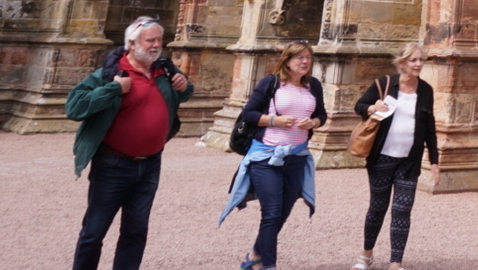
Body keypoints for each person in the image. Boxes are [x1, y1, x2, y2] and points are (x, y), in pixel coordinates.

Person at [66, 15, 194, 270]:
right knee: (94, 232)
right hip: (113, 164)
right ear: (132, 44)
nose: (157, 45)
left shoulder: (166, 70)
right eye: (150, 40)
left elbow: (182, 95)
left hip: (150, 164)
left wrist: (184, 87)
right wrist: (112, 89)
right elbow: (74, 107)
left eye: (160, 40)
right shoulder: (109, 74)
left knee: (136, 232)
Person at [219, 41, 327, 270]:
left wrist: (313, 123)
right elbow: (247, 114)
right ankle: (269, 266)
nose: (305, 61)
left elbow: (322, 115)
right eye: (299, 57)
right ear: (287, 60)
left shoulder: (313, 85)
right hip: (266, 157)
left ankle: (256, 255)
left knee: (283, 212)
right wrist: (274, 120)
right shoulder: (272, 83)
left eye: (308, 57)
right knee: (272, 212)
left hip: (297, 157)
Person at [352, 43, 440, 270]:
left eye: (421, 60)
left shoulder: (426, 90)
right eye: (414, 60)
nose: (419, 64)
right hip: (381, 157)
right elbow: (359, 106)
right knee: (377, 207)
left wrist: (434, 161)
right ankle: (366, 255)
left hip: (409, 161)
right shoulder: (384, 83)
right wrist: (372, 108)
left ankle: (395, 263)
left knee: (402, 209)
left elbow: (429, 127)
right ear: (402, 63)